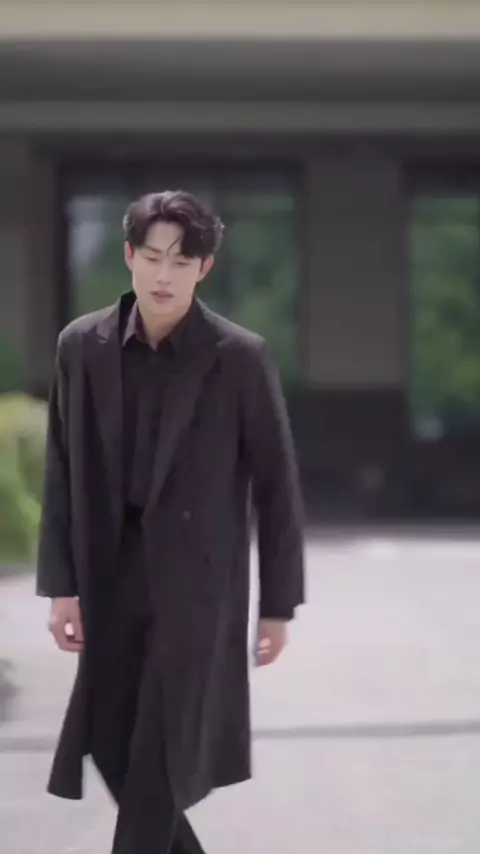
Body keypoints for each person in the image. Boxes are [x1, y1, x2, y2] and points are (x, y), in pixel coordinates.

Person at [36, 189, 305, 854]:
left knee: (159, 760)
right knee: (110, 745)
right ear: (129, 256)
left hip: (196, 589)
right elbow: (61, 468)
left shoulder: (238, 357)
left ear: (203, 268)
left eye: (182, 262)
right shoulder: (82, 346)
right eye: (153, 257)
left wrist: (277, 605)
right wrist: (60, 586)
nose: (164, 275)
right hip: (109, 575)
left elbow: (277, 486)